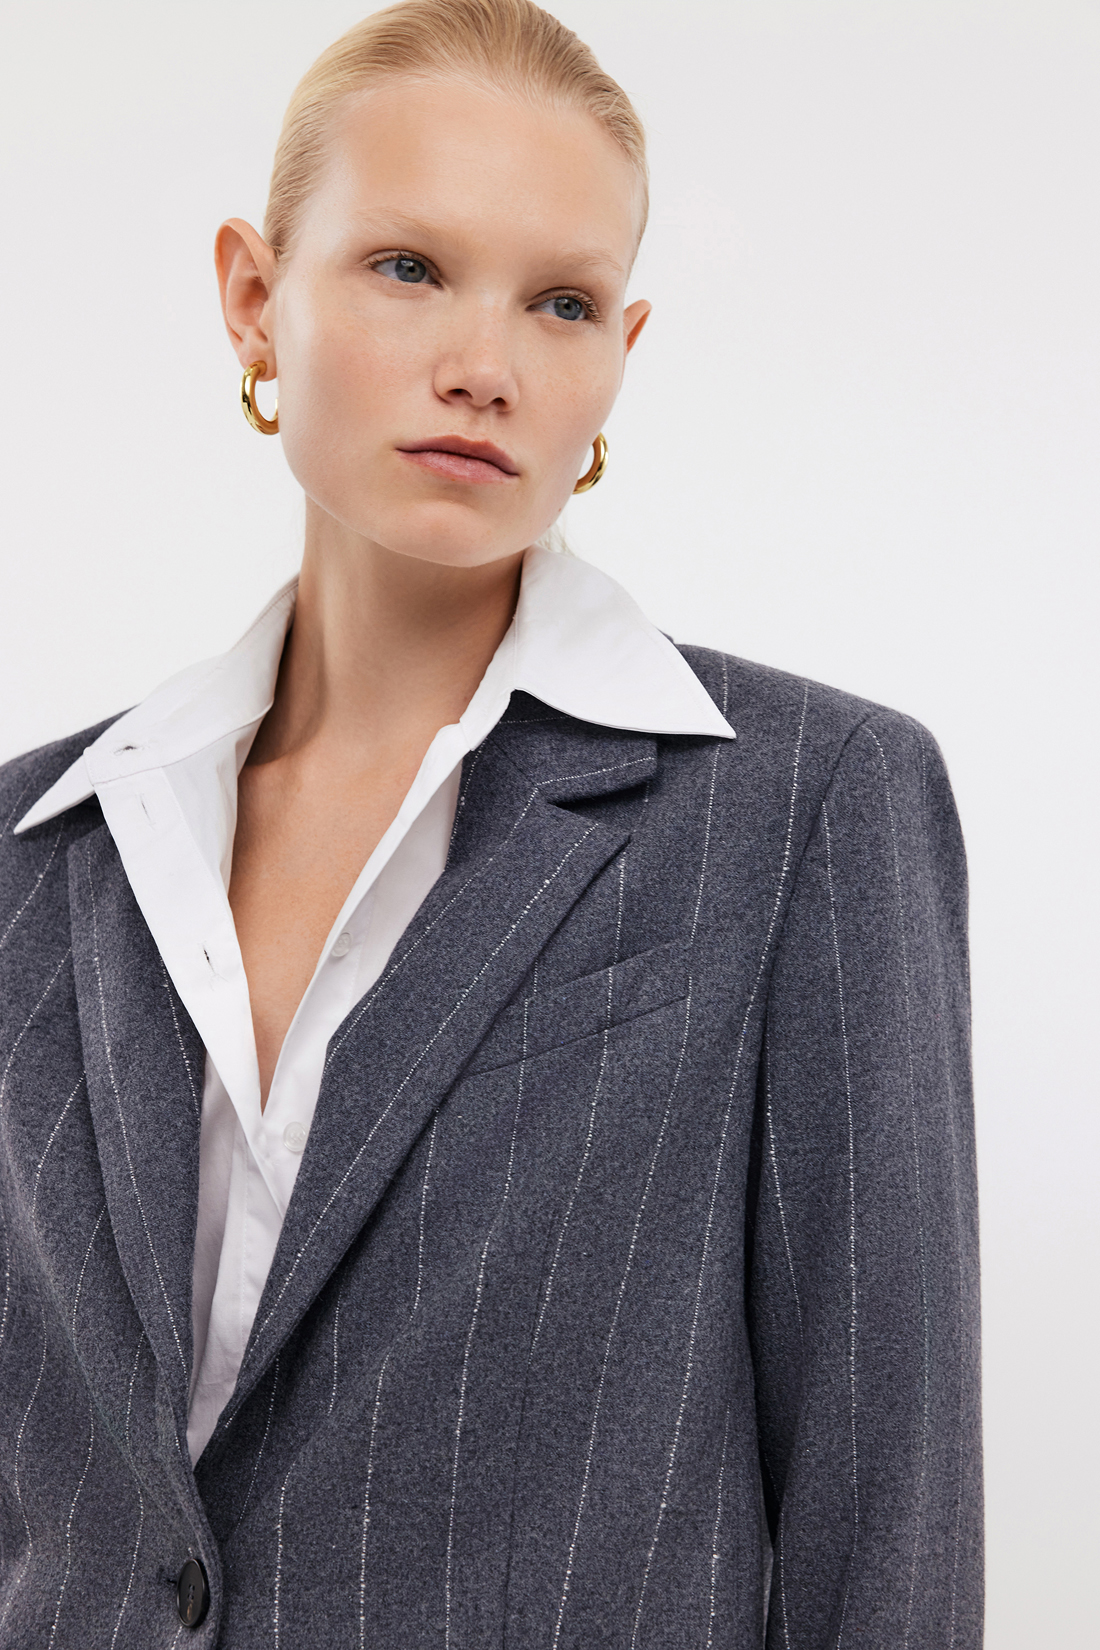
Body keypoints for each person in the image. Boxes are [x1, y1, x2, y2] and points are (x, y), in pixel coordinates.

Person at [0, 1, 982, 1644]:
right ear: (251, 297)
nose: (487, 364)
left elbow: (887, 1515)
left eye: (563, 302)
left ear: (623, 350)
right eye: (409, 267)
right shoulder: (43, 846)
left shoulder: (810, 808)